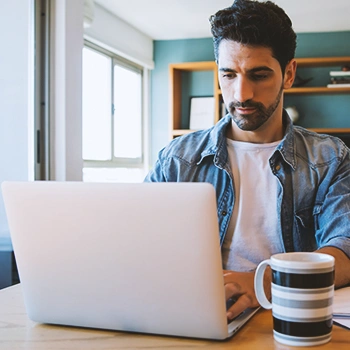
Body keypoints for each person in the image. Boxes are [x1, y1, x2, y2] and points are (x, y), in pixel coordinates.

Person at [144, 0, 350, 320]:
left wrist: (265, 282)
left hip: (289, 315)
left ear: (289, 73)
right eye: (228, 74)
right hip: (198, 312)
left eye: (259, 75)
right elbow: (139, 241)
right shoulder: (177, 159)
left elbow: (344, 252)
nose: (241, 94)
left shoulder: (330, 159)